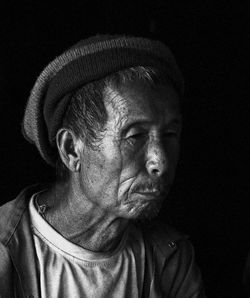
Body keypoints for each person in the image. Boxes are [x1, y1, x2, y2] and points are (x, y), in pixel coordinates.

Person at [0, 34, 205, 297]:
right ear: (72, 149)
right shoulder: (6, 252)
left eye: (170, 135)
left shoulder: (171, 257)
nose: (160, 162)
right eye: (135, 136)